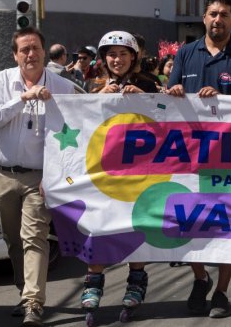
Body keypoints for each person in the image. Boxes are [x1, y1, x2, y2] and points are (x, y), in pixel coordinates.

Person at [166, 0, 231, 318]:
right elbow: (168, 97)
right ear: (204, 18)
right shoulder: (186, 54)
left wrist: (222, 98)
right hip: (188, 156)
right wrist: (174, 91)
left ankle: (221, 291)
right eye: (212, 14)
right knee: (187, 223)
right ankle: (200, 277)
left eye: (223, 15)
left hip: (229, 158)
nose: (217, 19)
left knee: (226, 226)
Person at [0, 27, 78, 327]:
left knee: (33, 237)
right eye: (24, 50)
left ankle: (34, 302)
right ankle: (25, 294)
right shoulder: (1, 81)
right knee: (12, 240)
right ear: (15, 55)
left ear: (44, 52)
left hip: (39, 178)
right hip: (3, 174)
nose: (30, 54)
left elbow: (72, 134)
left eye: (35, 48)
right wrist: (22, 98)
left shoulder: (63, 87)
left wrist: (55, 177)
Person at [79, 31, 160, 322]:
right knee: (99, 227)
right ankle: (93, 284)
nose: (117, 60)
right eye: (111, 54)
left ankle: (136, 281)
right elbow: (76, 118)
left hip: (140, 170)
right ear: (103, 58)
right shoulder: (92, 84)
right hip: (102, 170)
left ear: (134, 57)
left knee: (136, 226)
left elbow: (167, 116)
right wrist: (98, 98)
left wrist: (150, 98)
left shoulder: (149, 83)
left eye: (123, 54)